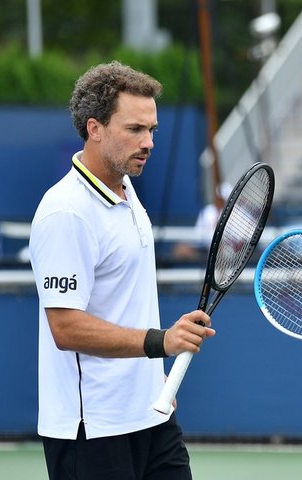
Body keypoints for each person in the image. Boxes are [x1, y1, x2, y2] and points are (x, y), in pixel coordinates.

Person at [29, 61, 215, 480]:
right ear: (94, 128)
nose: (148, 142)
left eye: (152, 130)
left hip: (151, 414)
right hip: (90, 430)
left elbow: (125, 304)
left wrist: (153, 372)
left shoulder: (128, 189)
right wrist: (160, 341)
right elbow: (66, 328)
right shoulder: (66, 212)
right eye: (135, 129)